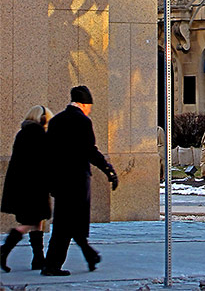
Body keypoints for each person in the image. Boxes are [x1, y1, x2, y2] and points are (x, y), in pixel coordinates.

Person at [41, 85, 118, 277]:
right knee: (69, 223)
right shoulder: (83, 122)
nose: (90, 109)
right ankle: (53, 264)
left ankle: (87, 255)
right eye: (89, 105)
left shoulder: (56, 121)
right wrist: (108, 169)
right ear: (84, 104)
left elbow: (48, 154)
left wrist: (50, 182)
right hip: (76, 180)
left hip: (60, 181)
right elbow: (89, 150)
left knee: (65, 221)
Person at [0, 105, 54, 272]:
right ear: (43, 119)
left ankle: (38, 258)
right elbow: (43, 162)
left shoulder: (23, 133)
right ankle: (4, 251)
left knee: (36, 222)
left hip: (25, 187)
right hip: (33, 188)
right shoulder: (36, 134)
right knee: (29, 223)